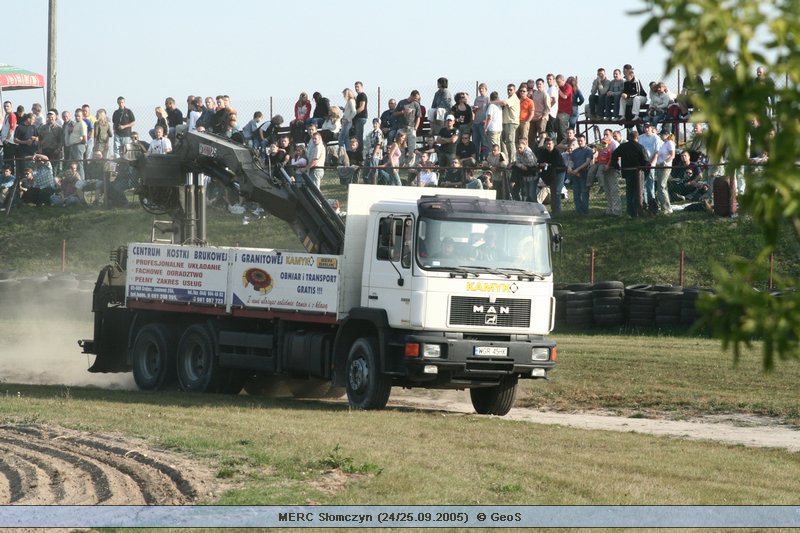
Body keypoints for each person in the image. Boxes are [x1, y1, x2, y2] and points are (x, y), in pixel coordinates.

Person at [612, 130, 649, 217]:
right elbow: (646, 160)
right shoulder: (640, 147)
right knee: (639, 192)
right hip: (638, 172)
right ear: (637, 137)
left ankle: (630, 212)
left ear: (629, 137)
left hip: (627, 172)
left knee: (629, 192)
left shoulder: (623, 146)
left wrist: (616, 165)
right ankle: (638, 211)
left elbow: (614, 155)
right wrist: (646, 170)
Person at [588, 129, 621, 216]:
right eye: (604, 134)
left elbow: (617, 157)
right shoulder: (603, 143)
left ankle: (616, 211)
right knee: (607, 190)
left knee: (614, 190)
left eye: (607, 134)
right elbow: (599, 154)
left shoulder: (615, 144)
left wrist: (609, 165)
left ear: (611, 135)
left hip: (612, 169)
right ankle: (609, 210)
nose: (605, 136)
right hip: (603, 168)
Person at [567, 134, 593, 214]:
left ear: (585, 141)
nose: (580, 142)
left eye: (581, 141)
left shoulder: (588, 150)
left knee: (584, 192)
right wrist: (569, 167)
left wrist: (577, 169)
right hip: (575, 174)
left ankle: (584, 210)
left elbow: (587, 162)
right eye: (578, 141)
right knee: (576, 193)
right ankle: (578, 210)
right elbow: (571, 161)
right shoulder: (575, 151)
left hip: (584, 173)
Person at [394, 90, 421, 164]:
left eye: (418, 98)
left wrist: (415, 128)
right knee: (400, 147)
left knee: (412, 149)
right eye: (415, 98)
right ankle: (399, 164)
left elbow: (418, 117)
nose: (417, 100)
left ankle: (410, 165)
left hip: (411, 128)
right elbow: (394, 114)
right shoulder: (402, 102)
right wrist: (403, 112)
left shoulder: (416, 104)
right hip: (402, 127)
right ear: (411, 96)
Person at [654, 130, 676, 213]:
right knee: (662, 186)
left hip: (665, 167)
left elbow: (672, 155)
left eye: (662, 135)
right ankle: (664, 206)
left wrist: (665, 162)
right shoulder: (664, 143)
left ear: (666, 135)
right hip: (659, 166)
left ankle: (667, 207)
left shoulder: (670, 143)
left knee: (662, 186)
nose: (660, 136)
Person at [499, 83, 520, 162]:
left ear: (514, 90)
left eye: (511, 90)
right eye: (508, 89)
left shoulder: (513, 98)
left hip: (511, 122)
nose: (509, 91)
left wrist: (493, 101)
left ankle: (512, 160)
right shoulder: (509, 98)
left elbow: (504, 103)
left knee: (510, 141)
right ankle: (506, 159)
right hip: (506, 122)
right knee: (504, 141)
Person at [471, 83, 490, 159]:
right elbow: (474, 110)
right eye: (479, 89)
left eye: (482, 88)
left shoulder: (488, 99)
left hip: (483, 123)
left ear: (486, 89)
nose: (480, 90)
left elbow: (489, 111)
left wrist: (485, 120)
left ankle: (485, 159)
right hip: (476, 122)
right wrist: (474, 109)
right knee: (475, 142)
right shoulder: (477, 98)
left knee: (484, 142)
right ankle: (476, 159)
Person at [555, 75, 573, 143]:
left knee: (563, 130)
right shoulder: (558, 87)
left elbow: (565, 96)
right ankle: (560, 145)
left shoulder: (568, 86)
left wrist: (558, 90)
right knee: (558, 130)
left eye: (559, 82)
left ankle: (566, 144)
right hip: (558, 111)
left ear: (563, 80)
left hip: (565, 111)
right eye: (557, 82)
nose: (558, 84)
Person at [2, 101, 17, 173]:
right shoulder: (6, 115)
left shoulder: (12, 115)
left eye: (7, 106)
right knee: (6, 160)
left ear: (11, 107)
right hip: (5, 140)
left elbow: (12, 128)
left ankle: (11, 177)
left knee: (10, 161)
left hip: (10, 141)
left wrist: (7, 139)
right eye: (4, 106)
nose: (6, 108)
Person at [353, 81, 368, 151]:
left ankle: (360, 152)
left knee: (359, 136)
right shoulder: (357, 96)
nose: (356, 88)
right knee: (356, 136)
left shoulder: (362, 95)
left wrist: (353, 113)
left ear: (361, 87)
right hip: (357, 118)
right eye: (355, 87)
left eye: (357, 87)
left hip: (361, 117)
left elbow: (362, 107)